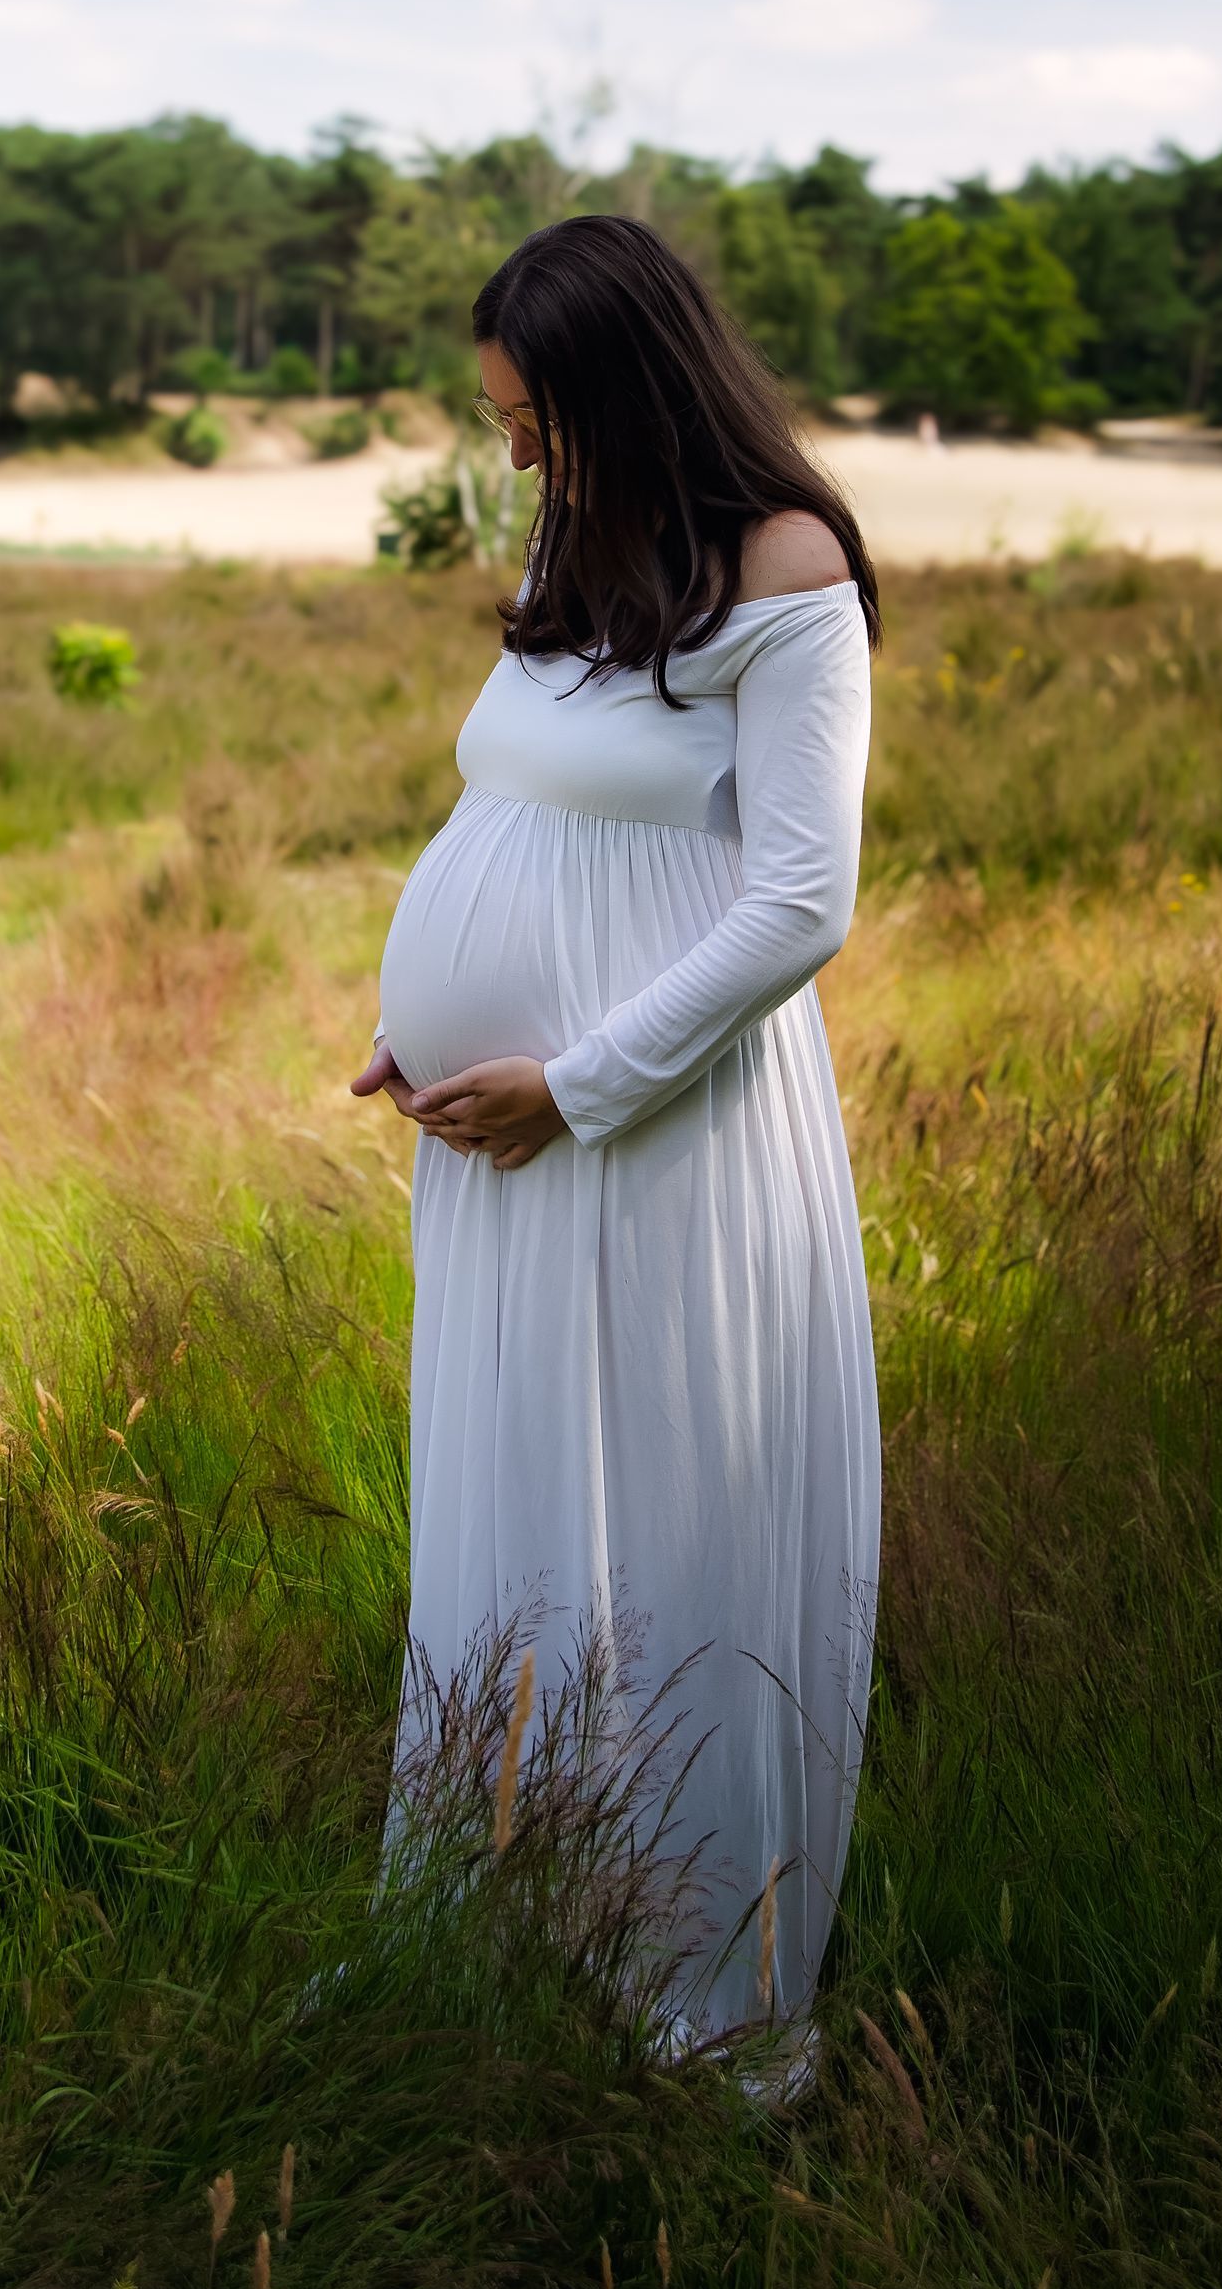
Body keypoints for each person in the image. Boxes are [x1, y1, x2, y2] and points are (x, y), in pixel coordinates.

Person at [350, 214, 882, 2107]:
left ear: (625, 389)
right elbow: (520, 802)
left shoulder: (788, 570)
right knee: (511, 1511)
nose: (509, 455)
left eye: (529, 417)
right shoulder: (575, 543)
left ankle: (699, 1991)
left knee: (663, 1534)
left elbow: (801, 903)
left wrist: (580, 1080)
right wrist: (425, 1022)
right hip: (505, 1135)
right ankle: (511, 1914)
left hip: (662, 1134)